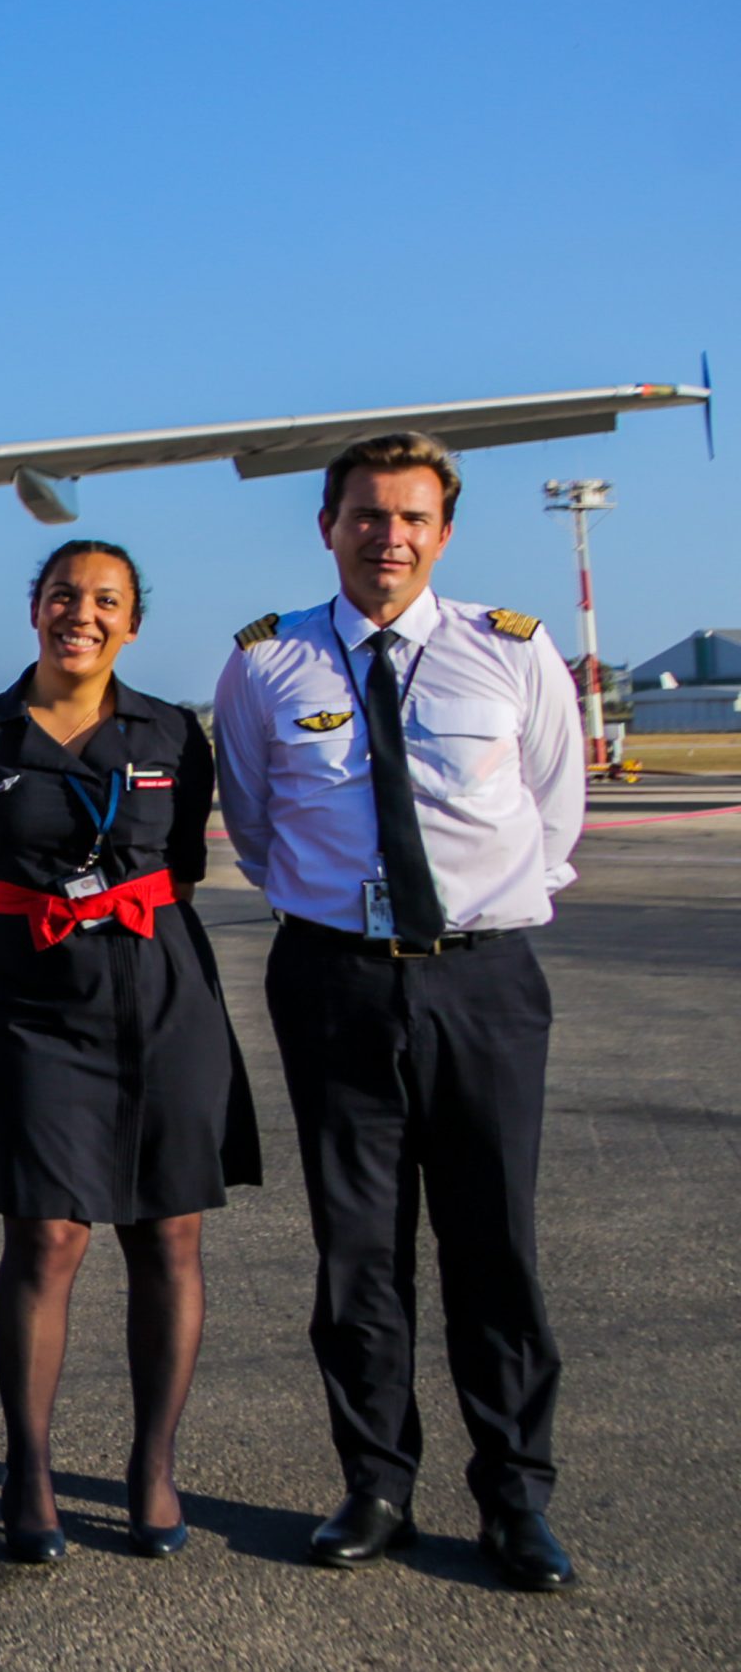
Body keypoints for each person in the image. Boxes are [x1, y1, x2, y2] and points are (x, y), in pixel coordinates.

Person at [214, 432, 585, 1591]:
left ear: (444, 532)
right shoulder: (268, 666)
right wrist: (350, 923)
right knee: (357, 1251)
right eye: (367, 516)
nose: (389, 537)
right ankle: (375, 1485)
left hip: (481, 976)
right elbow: (258, 825)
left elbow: (554, 820)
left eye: (413, 518)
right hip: (333, 978)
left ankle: (514, 1498)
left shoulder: (512, 655)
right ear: (328, 527)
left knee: (494, 1244)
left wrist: (460, 921)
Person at [0, 540, 259, 1563]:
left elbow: (183, 874)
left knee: (168, 1235)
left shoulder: (171, 732)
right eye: (65, 595)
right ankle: (28, 1471)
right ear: (34, 609)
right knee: (46, 1239)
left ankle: (151, 1467)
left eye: (106, 600)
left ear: (132, 623)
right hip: (35, 1006)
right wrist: (49, 957)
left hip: (164, 1001)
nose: (83, 614)